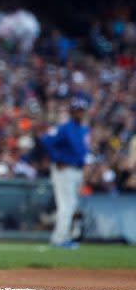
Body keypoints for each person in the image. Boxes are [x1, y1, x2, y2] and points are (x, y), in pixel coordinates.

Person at [40, 95, 90, 248]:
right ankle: (59, 239)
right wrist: (56, 158)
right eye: (77, 110)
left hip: (76, 170)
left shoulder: (82, 129)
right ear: (71, 111)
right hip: (64, 170)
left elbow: (82, 152)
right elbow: (46, 139)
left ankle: (63, 236)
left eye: (81, 110)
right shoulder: (65, 127)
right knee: (66, 205)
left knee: (71, 205)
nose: (79, 113)